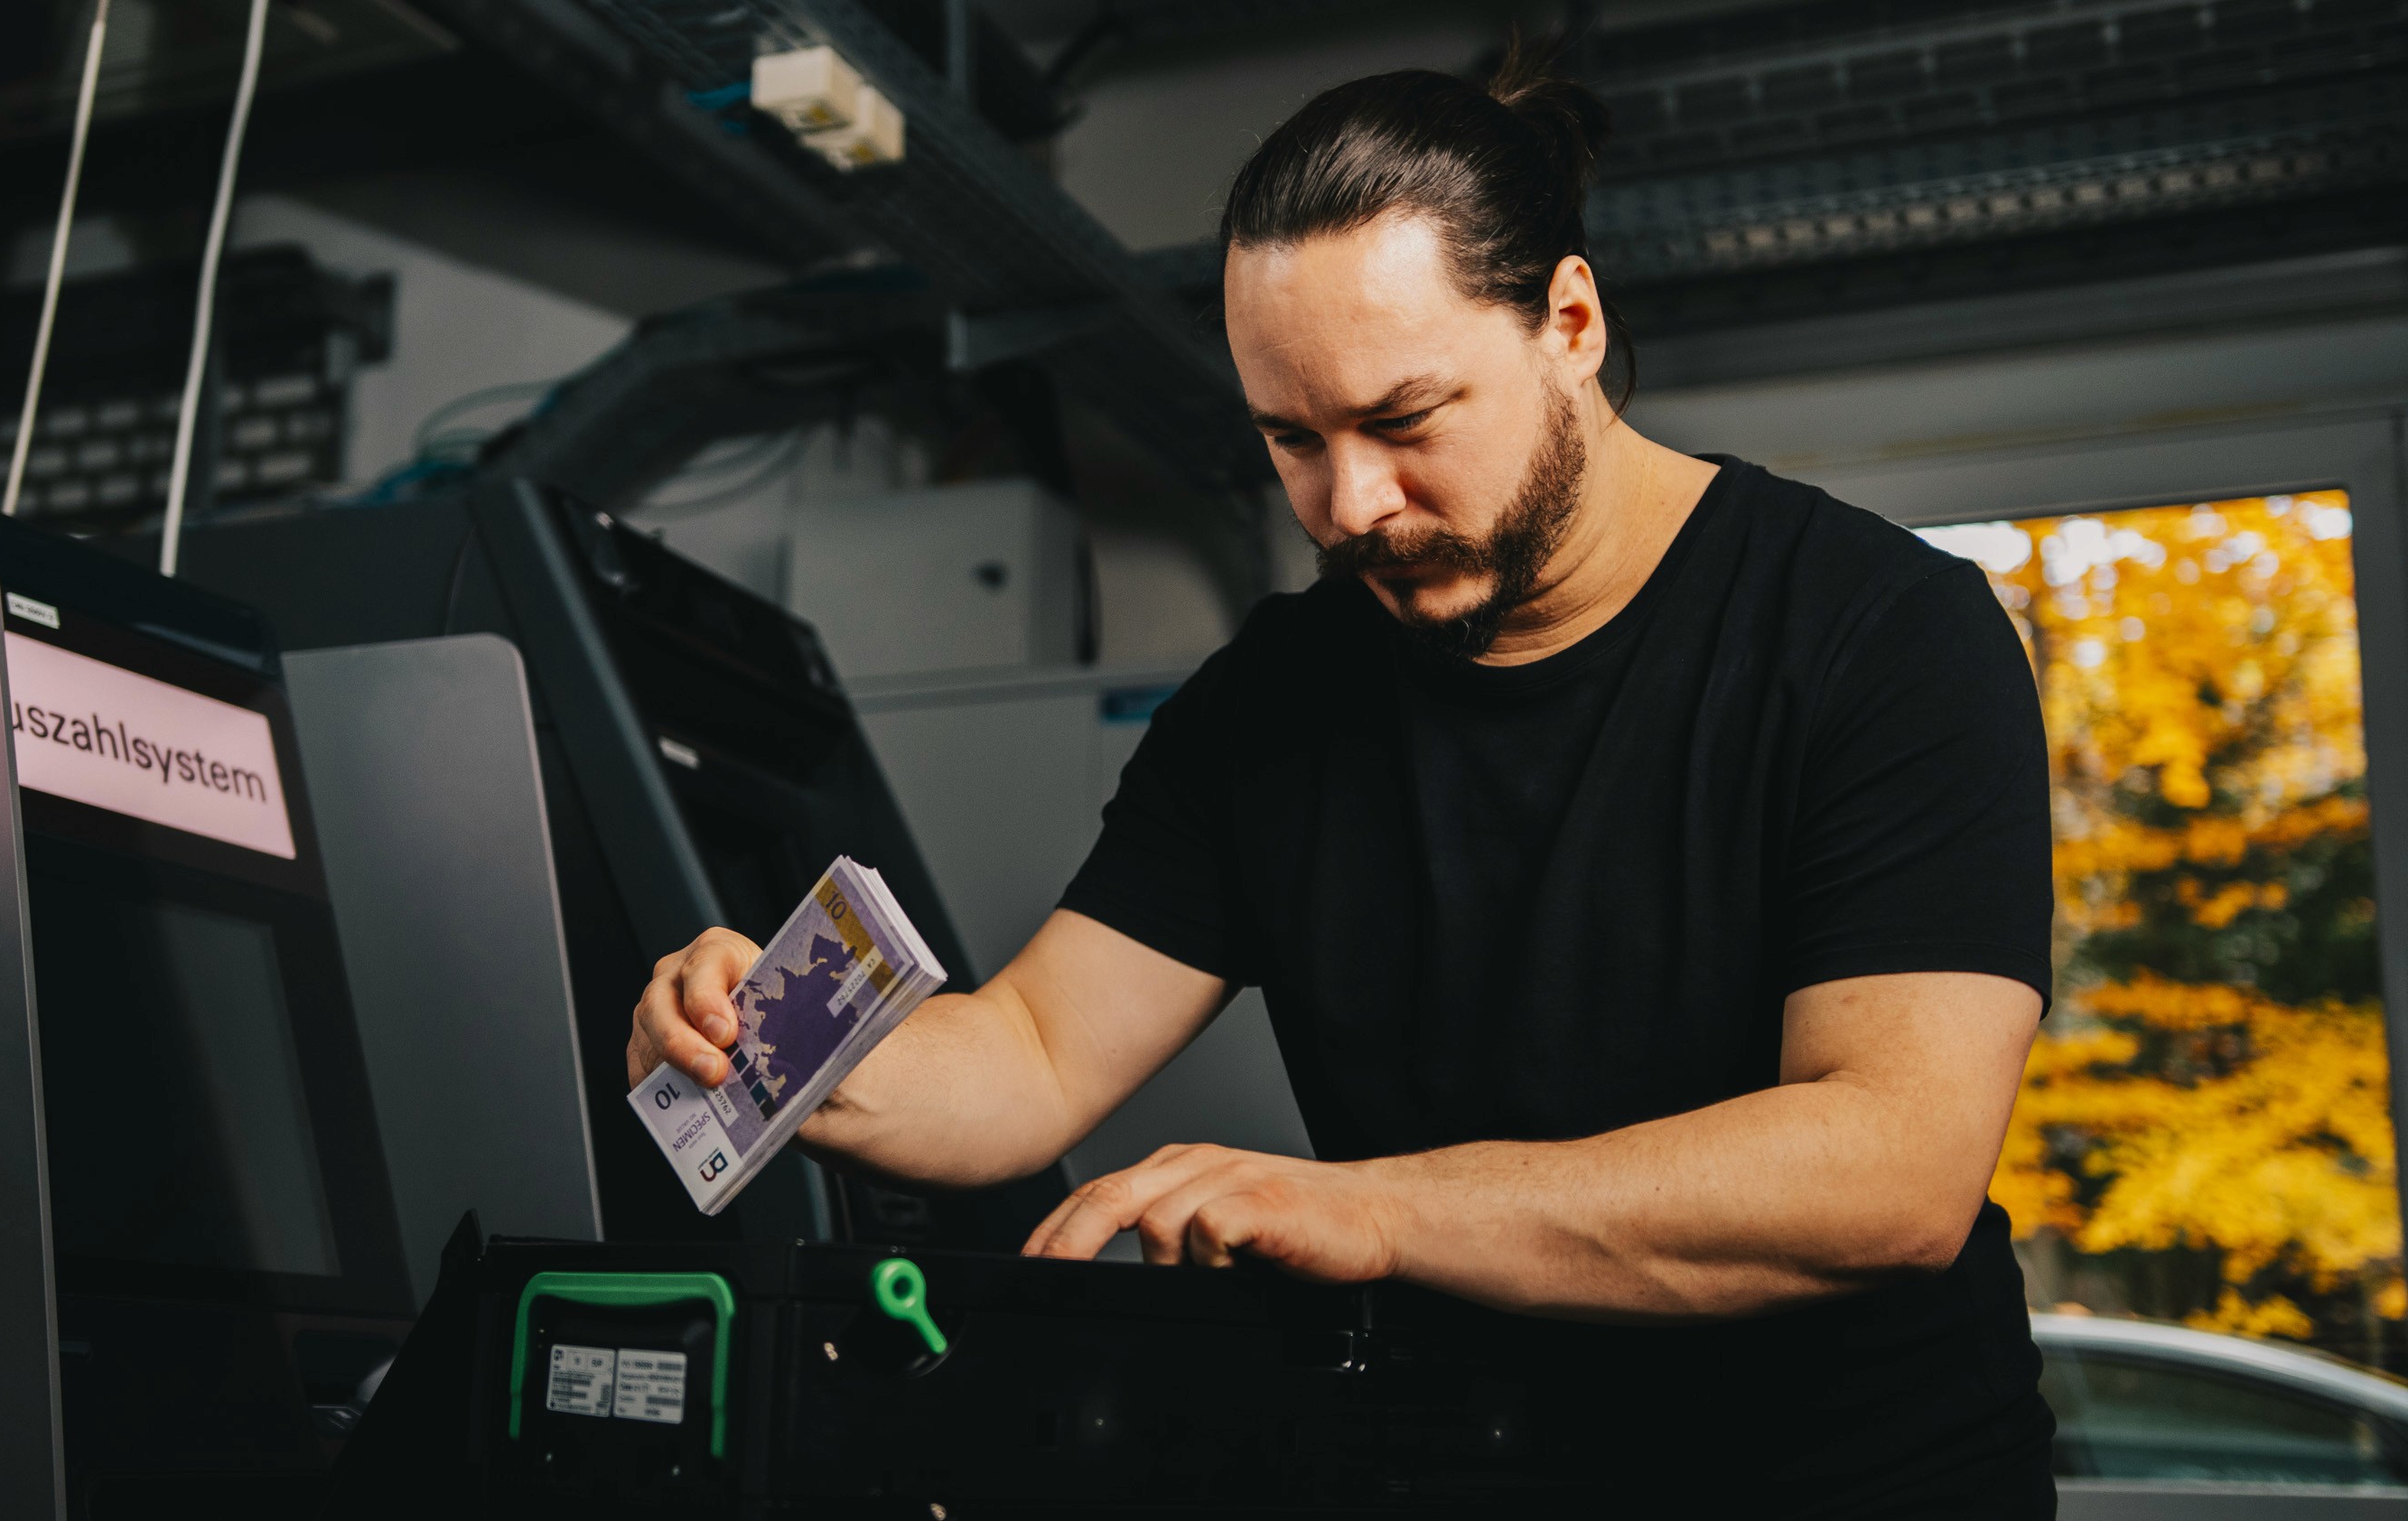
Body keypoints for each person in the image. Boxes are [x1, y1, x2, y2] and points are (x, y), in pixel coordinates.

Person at [630, 51, 2055, 1515]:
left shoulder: (1881, 634)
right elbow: (1031, 1058)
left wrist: (1374, 1206)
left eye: (1405, 421)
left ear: (1570, 321)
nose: (1351, 506)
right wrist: (772, 1047)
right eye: (1292, 441)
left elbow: (1894, 1168)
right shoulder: (1272, 705)